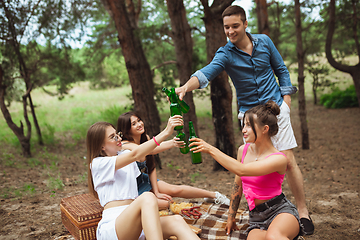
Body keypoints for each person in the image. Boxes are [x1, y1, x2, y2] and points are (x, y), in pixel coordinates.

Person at [175, 5, 314, 235]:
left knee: (288, 160)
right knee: (248, 163)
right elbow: (206, 73)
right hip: (250, 118)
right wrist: (186, 87)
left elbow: (281, 69)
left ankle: (302, 211)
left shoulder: (265, 42)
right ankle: (260, 208)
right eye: (226, 27)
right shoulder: (225, 54)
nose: (230, 31)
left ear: (245, 24)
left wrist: (286, 102)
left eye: (235, 26)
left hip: (275, 109)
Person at [189, 100, 304, 239]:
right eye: (244, 125)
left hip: (280, 211)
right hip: (256, 218)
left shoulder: (279, 159)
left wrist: (210, 149)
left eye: (249, 125)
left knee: (273, 237)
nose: (243, 129)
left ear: (265, 129)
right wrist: (231, 216)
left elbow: (242, 170)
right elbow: (238, 184)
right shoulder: (243, 151)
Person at [86, 116, 200, 240]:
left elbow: (142, 152)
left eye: (117, 134)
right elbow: (136, 154)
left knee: (177, 221)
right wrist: (166, 132)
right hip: (114, 227)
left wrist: (172, 142)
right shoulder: (98, 164)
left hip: (138, 222)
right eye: (112, 137)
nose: (119, 138)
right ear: (101, 146)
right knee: (146, 197)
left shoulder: (125, 154)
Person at [116, 111, 230, 209]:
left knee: (175, 190)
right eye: (133, 124)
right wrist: (170, 138)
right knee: (167, 203)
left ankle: (214, 195)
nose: (139, 124)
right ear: (126, 129)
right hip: (131, 187)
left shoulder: (145, 139)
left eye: (139, 120)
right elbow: (148, 151)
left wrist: (156, 192)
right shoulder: (125, 145)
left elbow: (151, 166)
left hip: (142, 179)